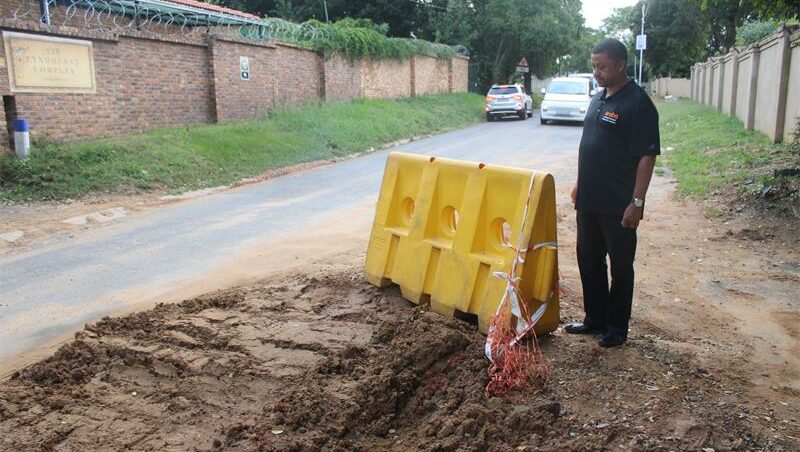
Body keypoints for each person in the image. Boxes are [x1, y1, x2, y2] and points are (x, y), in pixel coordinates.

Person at [565, 38, 660, 348]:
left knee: (620, 267)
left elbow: (647, 156)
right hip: (590, 201)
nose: (597, 72)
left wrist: (637, 202)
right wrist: (580, 183)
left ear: (620, 64)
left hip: (618, 204)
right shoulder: (598, 98)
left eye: (602, 67)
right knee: (588, 261)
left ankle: (617, 327)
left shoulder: (638, 103)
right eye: (594, 66)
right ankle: (595, 319)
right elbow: (588, 147)